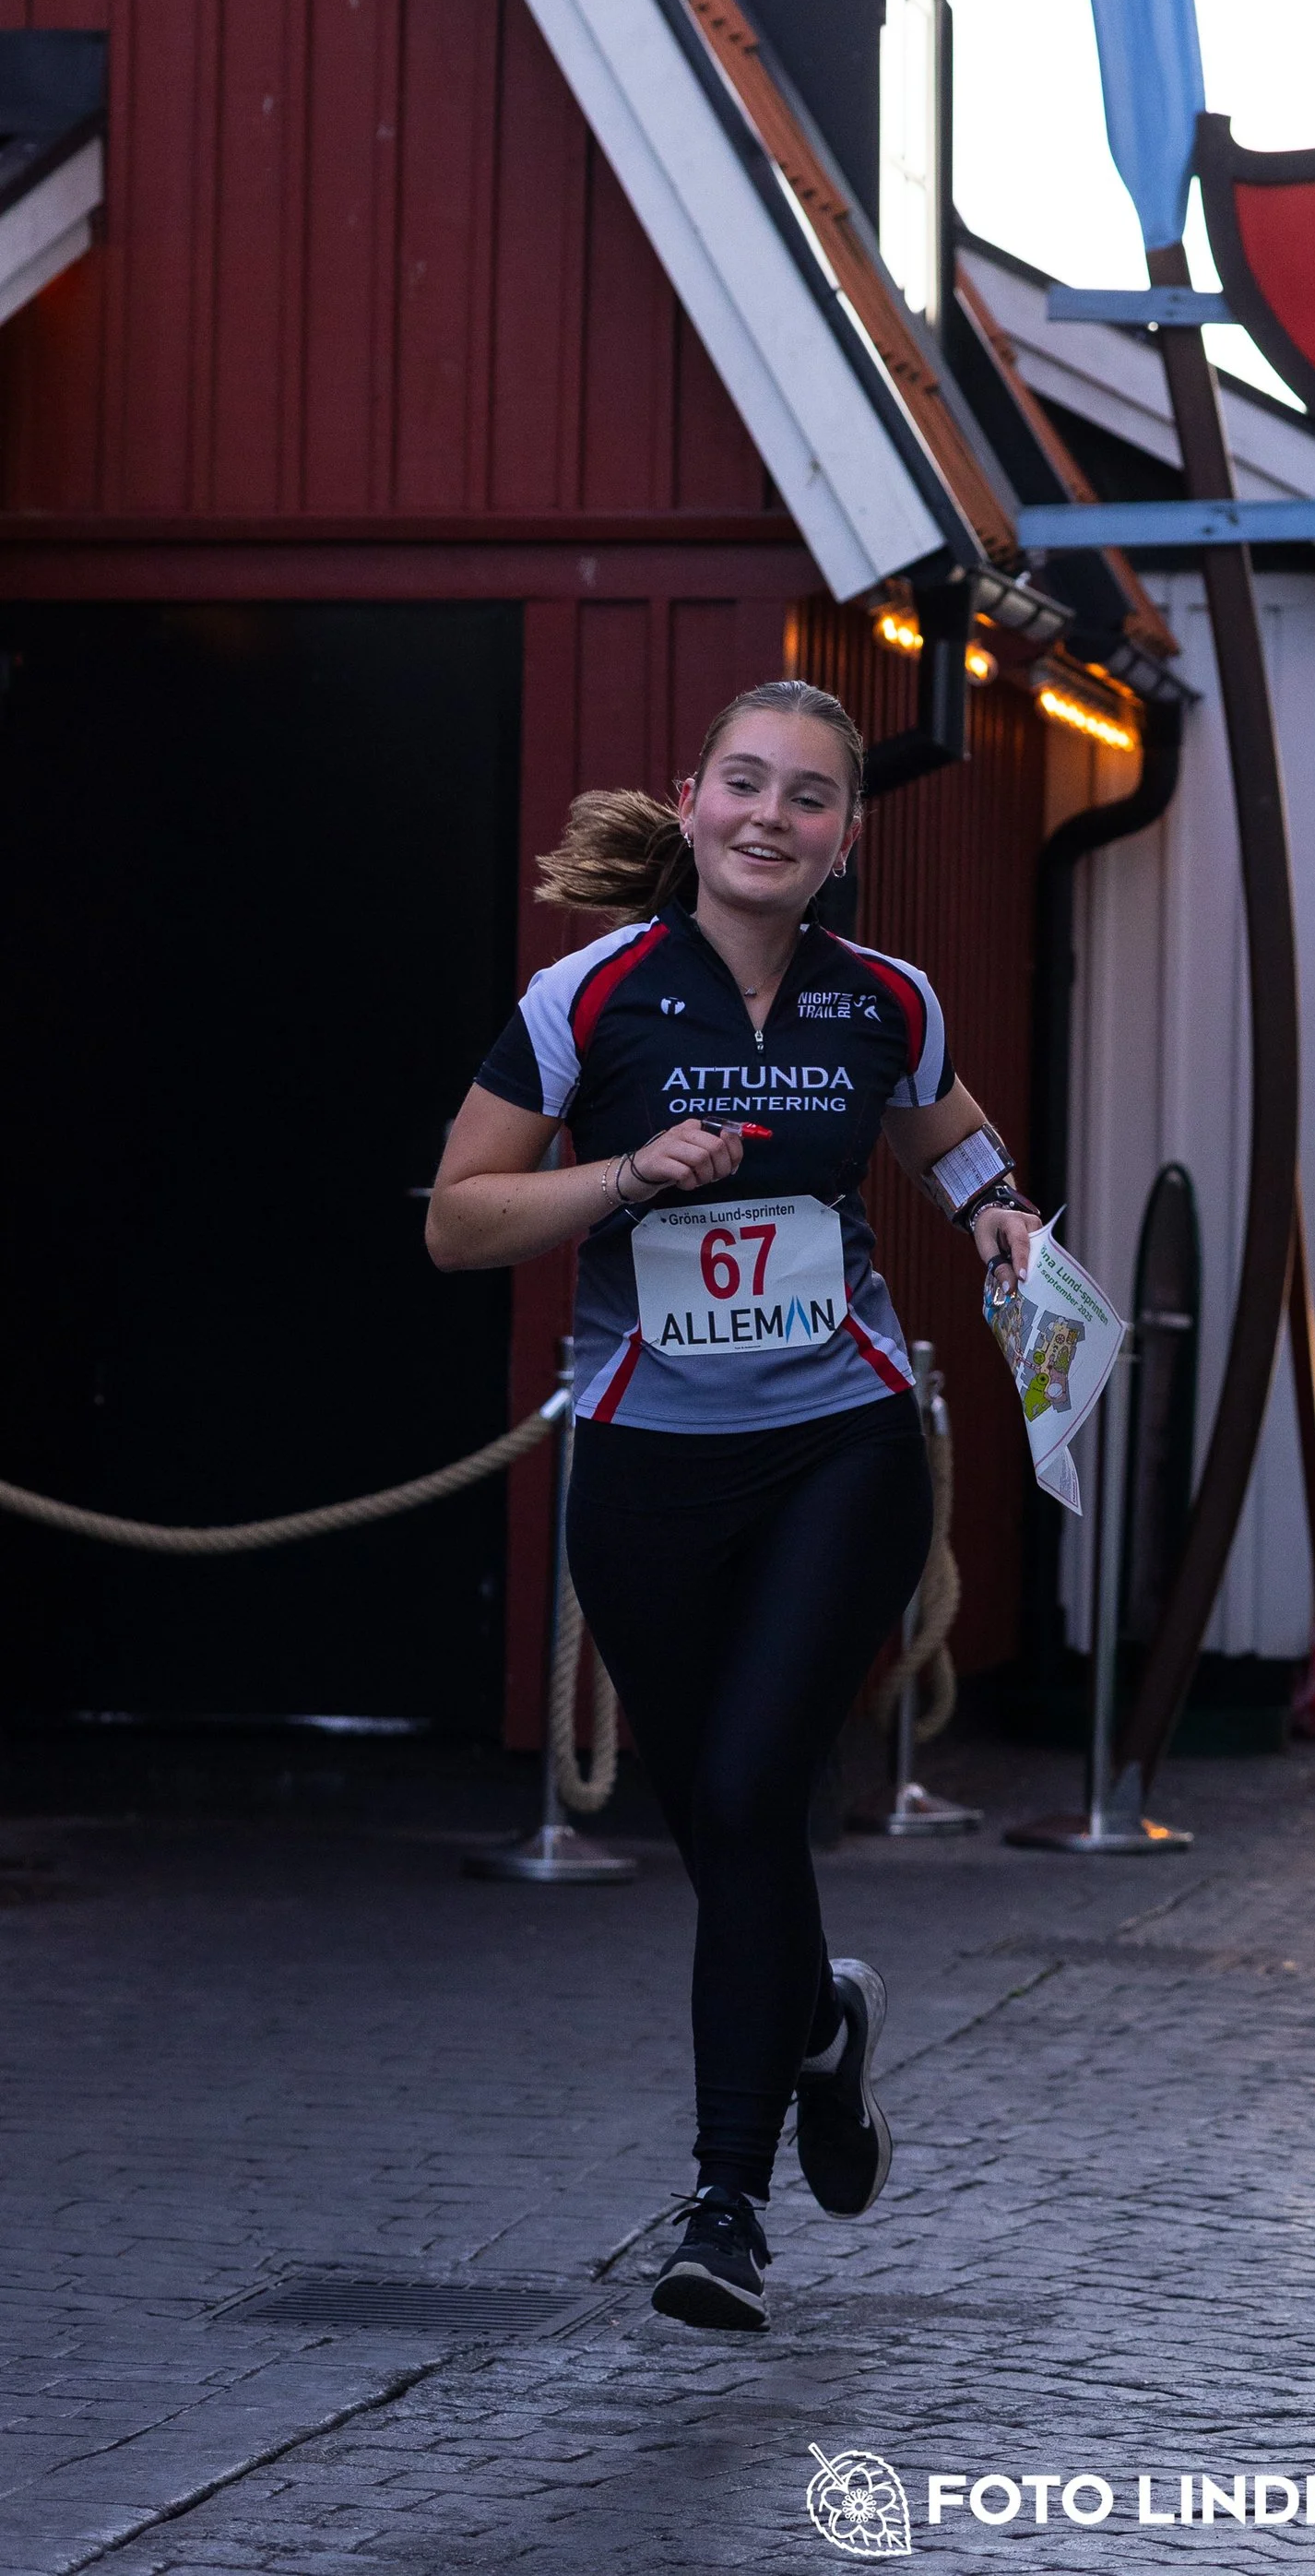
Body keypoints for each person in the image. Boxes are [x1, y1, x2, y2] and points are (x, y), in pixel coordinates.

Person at [426, 678, 1035, 2329]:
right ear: (691, 804)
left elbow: (956, 1144)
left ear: (848, 835)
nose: (772, 818)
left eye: (810, 797)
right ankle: (822, 2030)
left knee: (765, 1775)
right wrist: (628, 1175)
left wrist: (999, 1217)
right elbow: (460, 1219)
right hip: (647, 1468)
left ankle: (723, 2207)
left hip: (841, 1444)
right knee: (725, 1825)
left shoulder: (885, 1001)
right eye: (745, 787)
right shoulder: (588, 998)